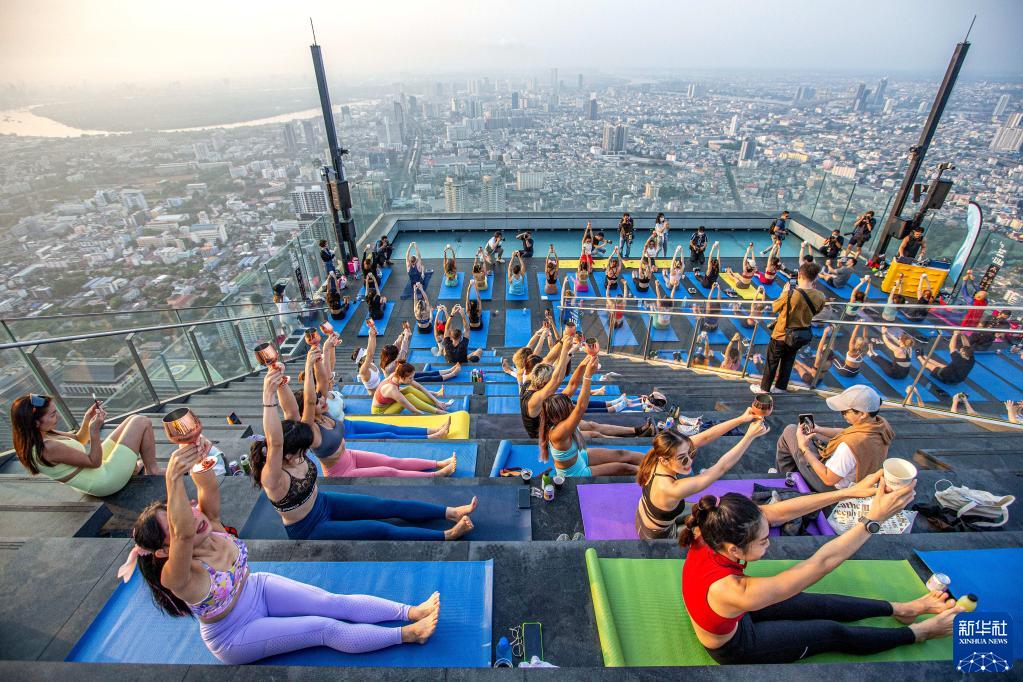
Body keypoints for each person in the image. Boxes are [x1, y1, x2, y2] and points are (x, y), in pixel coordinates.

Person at [122, 443, 445, 665]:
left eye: (185, 510)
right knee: (324, 628)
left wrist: (196, 449)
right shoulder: (177, 576)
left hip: (257, 588)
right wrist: (171, 478)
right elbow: (182, 532)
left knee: (333, 603)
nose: (193, 516)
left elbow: (206, 484)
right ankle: (407, 635)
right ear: (165, 550)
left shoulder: (211, 524)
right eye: (176, 522)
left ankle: (410, 611)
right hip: (233, 632)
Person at [678, 481, 959, 665]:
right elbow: (821, 563)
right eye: (763, 541)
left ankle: (903, 609)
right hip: (737, 645)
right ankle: (918, 632)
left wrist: (849, 492)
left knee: (817, 603)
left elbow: (777, 513)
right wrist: (874, 520)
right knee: (831, 631)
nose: (769, 542)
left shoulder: (711, 527)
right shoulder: (733, 590)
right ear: (734, 549)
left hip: (734, 614)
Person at [252, 368, 475, 541]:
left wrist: (279, 381)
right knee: (380, 529)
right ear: (285, 455)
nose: (305, 453)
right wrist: (267, 396)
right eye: (301, 451)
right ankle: (446, 535)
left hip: (324, 502)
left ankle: (451, 512)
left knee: (386, 505)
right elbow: (275, 441)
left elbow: (291, 412)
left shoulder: (295, 448)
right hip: (310, 527)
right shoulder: (273, 478)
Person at [285, 350, 455, 478]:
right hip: (341, 472)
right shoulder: (310, 428)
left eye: (320, 397)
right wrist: (308, 367)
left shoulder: (324, 412)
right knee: (389, 471)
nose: (322, 400)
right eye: (317, 401)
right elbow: (308, 401)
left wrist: (317, 357)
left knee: (392, 461)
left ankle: (438, 462)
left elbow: (322, 380)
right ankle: (436, 475)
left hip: (349, 453)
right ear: (307, 410)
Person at [634, 411, 767, 539]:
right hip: (659, 535)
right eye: (683, 459)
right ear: (664, 460)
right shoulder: (672, 488)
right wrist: (749, 437)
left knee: (712, 512)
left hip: (644, 517)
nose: (689, 461)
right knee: (724, 526)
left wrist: (741, 419)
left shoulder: (657, 455)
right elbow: (721, 468)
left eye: (691, 453)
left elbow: (705, 437)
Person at [520, 325, 653, 440]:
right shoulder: (533, 401)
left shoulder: (532, 380)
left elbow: (553, 363)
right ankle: (635, 440)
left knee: (592, 425)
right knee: (594, 434)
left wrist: (569, 343)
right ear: (544, 384)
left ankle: (637, 430)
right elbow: (557, 380)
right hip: (545, 434)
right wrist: (566, 350)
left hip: (551, 418)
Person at [10, 395, 160, 496]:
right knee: (141, 421)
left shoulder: (41, 434)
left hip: (91, 473)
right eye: (53, 414)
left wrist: (87, 419)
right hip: (104, 480)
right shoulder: (47, 448)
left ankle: (130, 468)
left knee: (132, 418)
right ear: (36, 422)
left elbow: (79, 439)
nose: (58, 416)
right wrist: (94, 432)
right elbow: (94, 462)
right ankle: (152, 470)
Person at [539, 356, 647, 476]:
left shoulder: (556, 419)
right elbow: (581, 407)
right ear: (558, 416)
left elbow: (573, 384)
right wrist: (588, 376)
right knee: (625, 468)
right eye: (570, 408)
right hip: (577, 473)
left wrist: (586, 361)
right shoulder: (558, 433)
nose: (573, 407)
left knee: (621, 454)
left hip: (580, 457)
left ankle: (655, 460)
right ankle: (655, 474)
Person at [775, 385, 894, 493]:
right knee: (812, 435)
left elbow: (828, 479)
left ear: (863, 414)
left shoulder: (849, 447)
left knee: (790, 431)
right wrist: (818, 429)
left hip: (830, 488)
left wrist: (804, 448)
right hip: (856, 477)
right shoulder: (879, 426)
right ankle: (795, 476)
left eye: (844, 411)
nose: (843, 414)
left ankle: (786, 483)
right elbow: (845, 432)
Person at [755, 262, 826, 395]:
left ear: (799, 275)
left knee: (772, 361)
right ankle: (780, 388)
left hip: (781, 334)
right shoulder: (820, 296)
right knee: (788, 361)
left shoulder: (790, 294)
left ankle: (764, 389)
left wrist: (784, 292)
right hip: (799, 335)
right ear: (815, 278)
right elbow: (817, 310)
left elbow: (775, 307)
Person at [373, 362, 451, 416]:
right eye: (410, 378)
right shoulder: (392, 389)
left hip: (388, 403)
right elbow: (414, 410)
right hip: (381, 413)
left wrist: (437, 401)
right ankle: (439, 411)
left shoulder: (396, 375)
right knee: (408, 397)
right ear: (401, 377)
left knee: (409, 388)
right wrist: (437, 413)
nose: (412, 380)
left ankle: (439, 405)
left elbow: (420, 387)